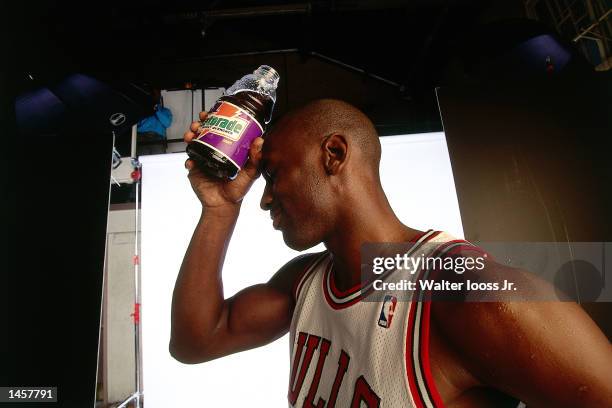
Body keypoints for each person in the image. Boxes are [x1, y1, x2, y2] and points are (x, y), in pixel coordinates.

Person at [170, 99, 612, 407]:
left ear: (334, 154)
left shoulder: (461, 289)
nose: (264, 200)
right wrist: (219, 208)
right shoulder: (305, 281)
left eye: (274, 173)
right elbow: (196, 340)